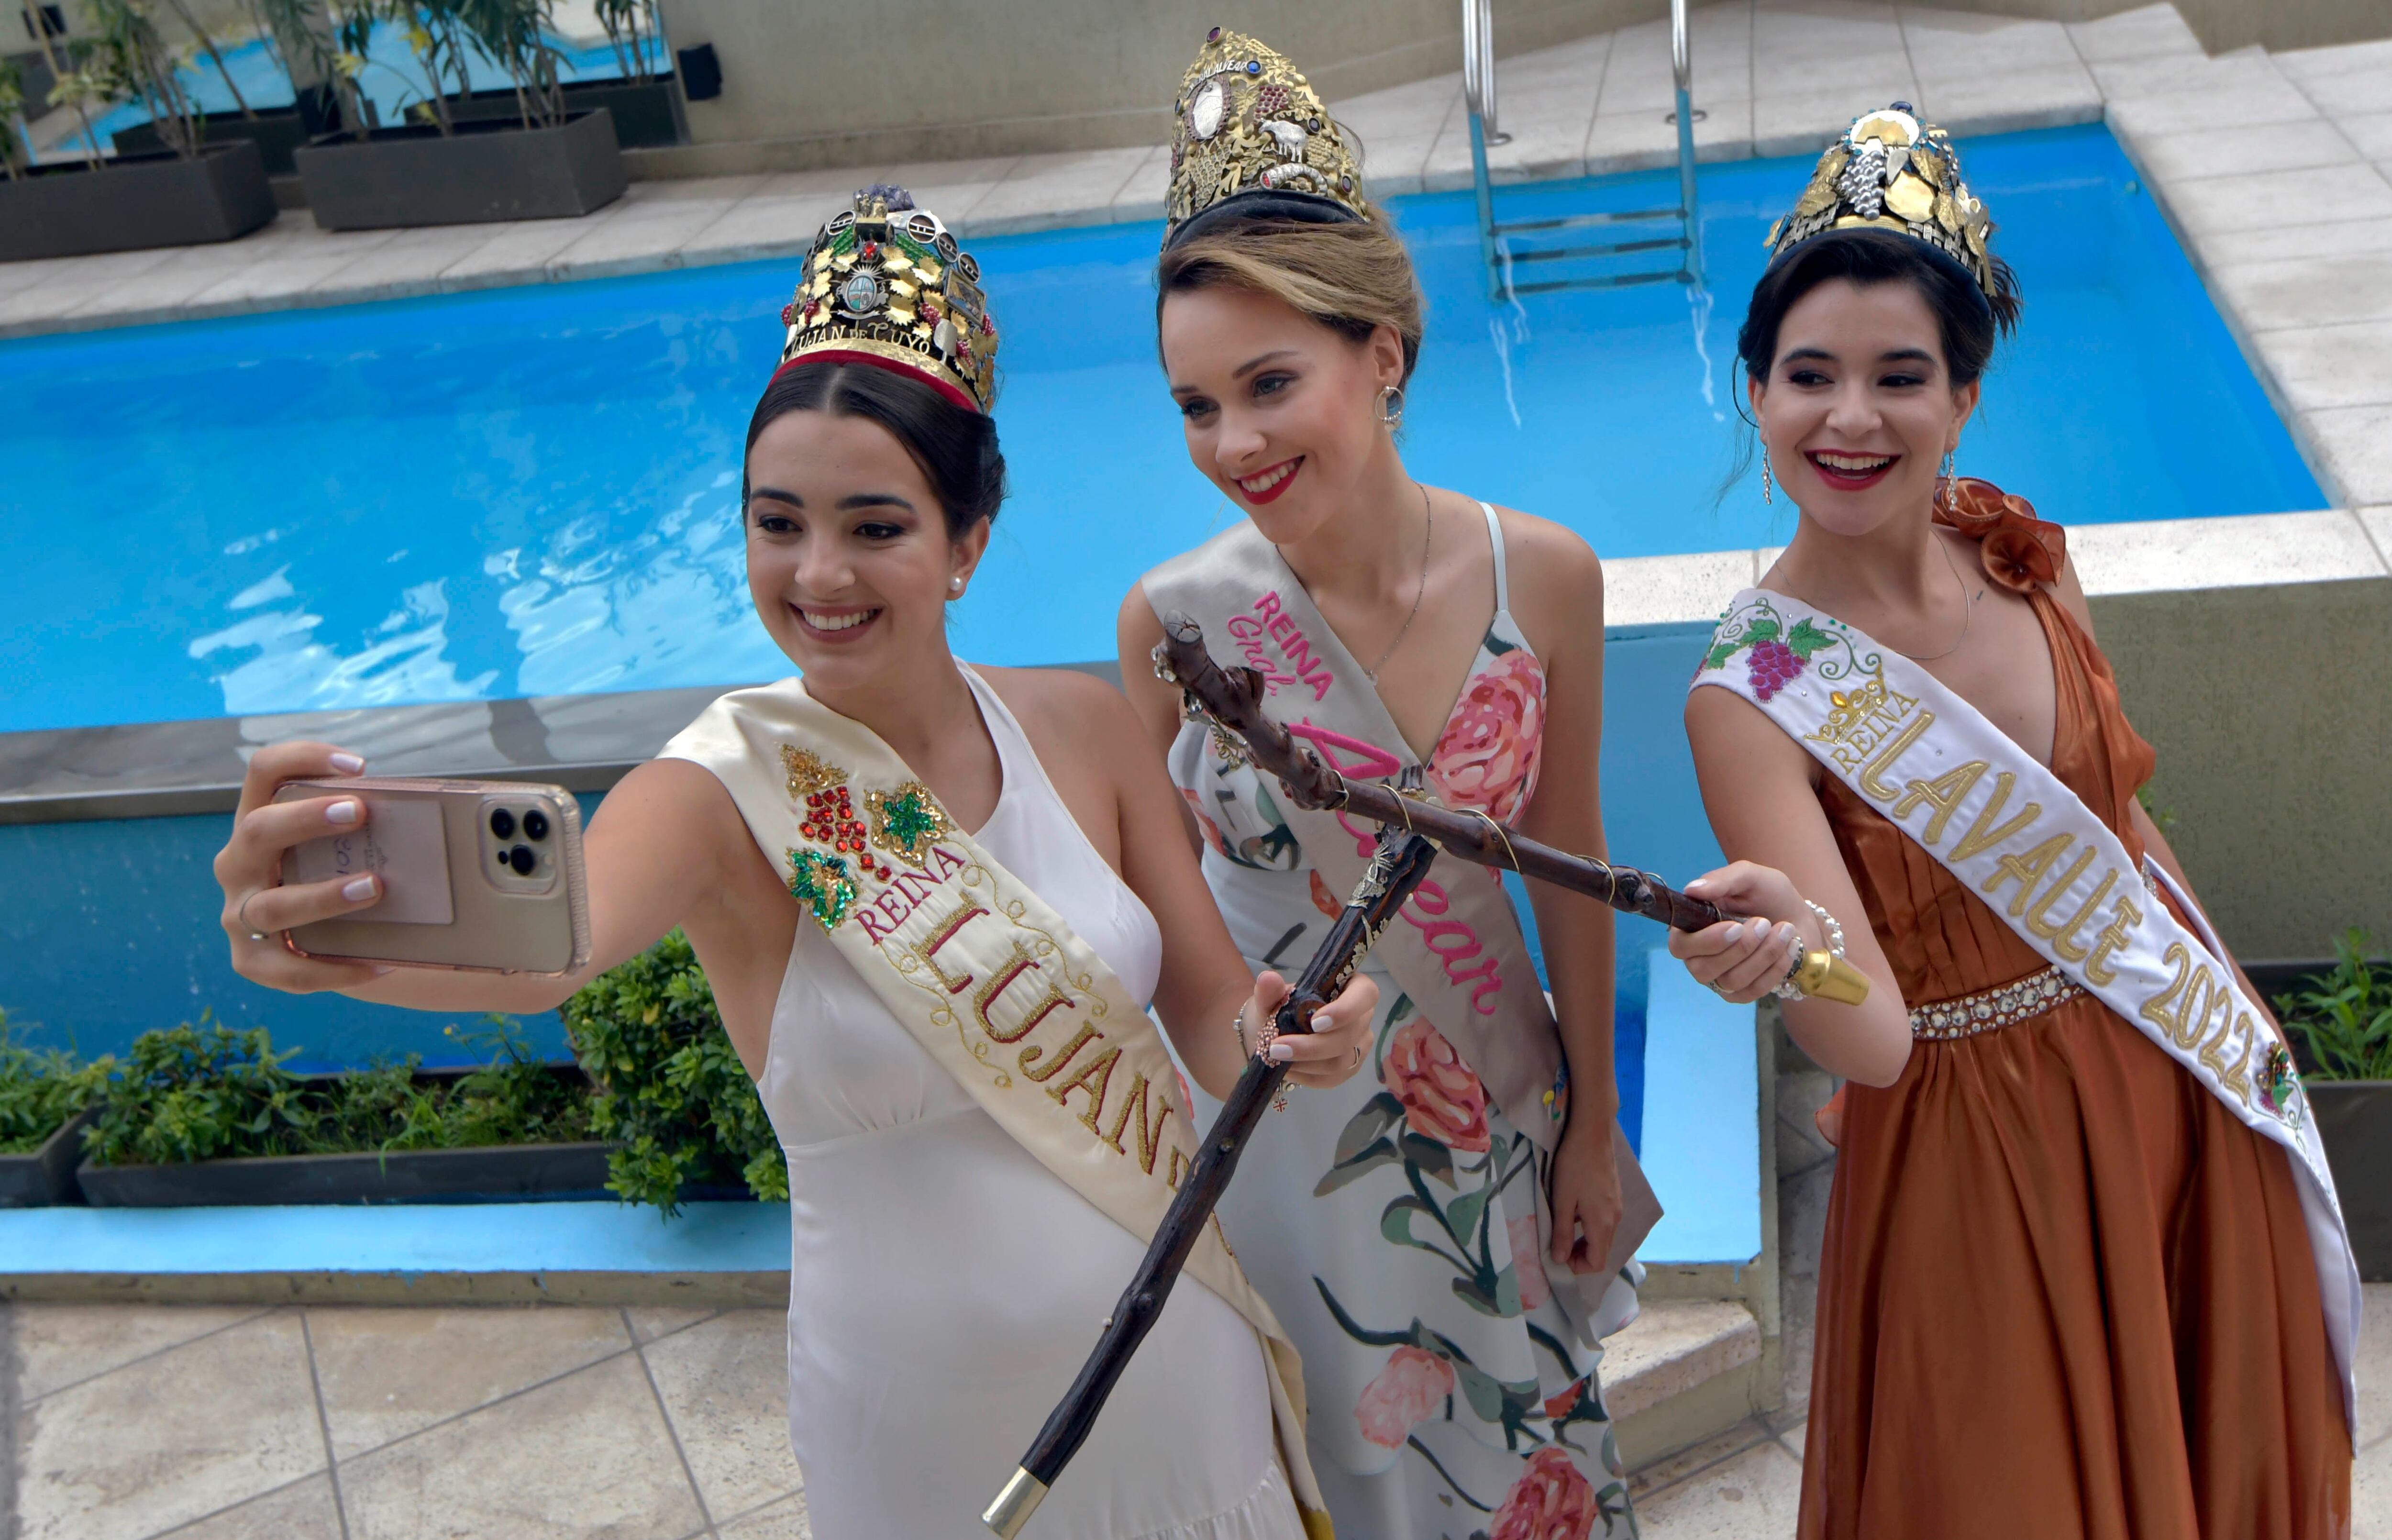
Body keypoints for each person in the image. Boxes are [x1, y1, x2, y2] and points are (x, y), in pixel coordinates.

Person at [211, 186, 1385, 1540]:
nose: (818, 573)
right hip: (930, 1439)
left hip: (1177, 1377)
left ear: (966, 545)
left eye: (874, 526)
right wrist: (308, 942)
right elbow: (548, 948)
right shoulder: (724, 791)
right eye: (779, 523)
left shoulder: (1079, 725)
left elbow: (1208, 1009)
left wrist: (1288, 1030)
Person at [1666, 106, 2357, 1539]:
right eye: (1810, 375)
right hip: (1982, 1158)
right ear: (1755, 388)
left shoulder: (2024, 558)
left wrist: (2233, 1013)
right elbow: (1875, 1040)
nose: (1849, 418)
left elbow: (2117, 825)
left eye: (1899, 376)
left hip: (2166, 1071)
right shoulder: (1755, 691)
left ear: (1963, 396)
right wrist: (1793, 956)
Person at [1117, 30, 1658, 1538]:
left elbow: (1576, 859)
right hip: (1293, 1140)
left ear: (1386, 354)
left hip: (1502, 1110)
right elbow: (1181, 921)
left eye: (1270, 382)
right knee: (1340, 1474)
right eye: (1194, 403)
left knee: (1527, 1457)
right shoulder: (1170, 623)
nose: (1232, 443)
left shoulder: (1538, 575)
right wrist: (1255, 1011)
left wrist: (1598, 1129)